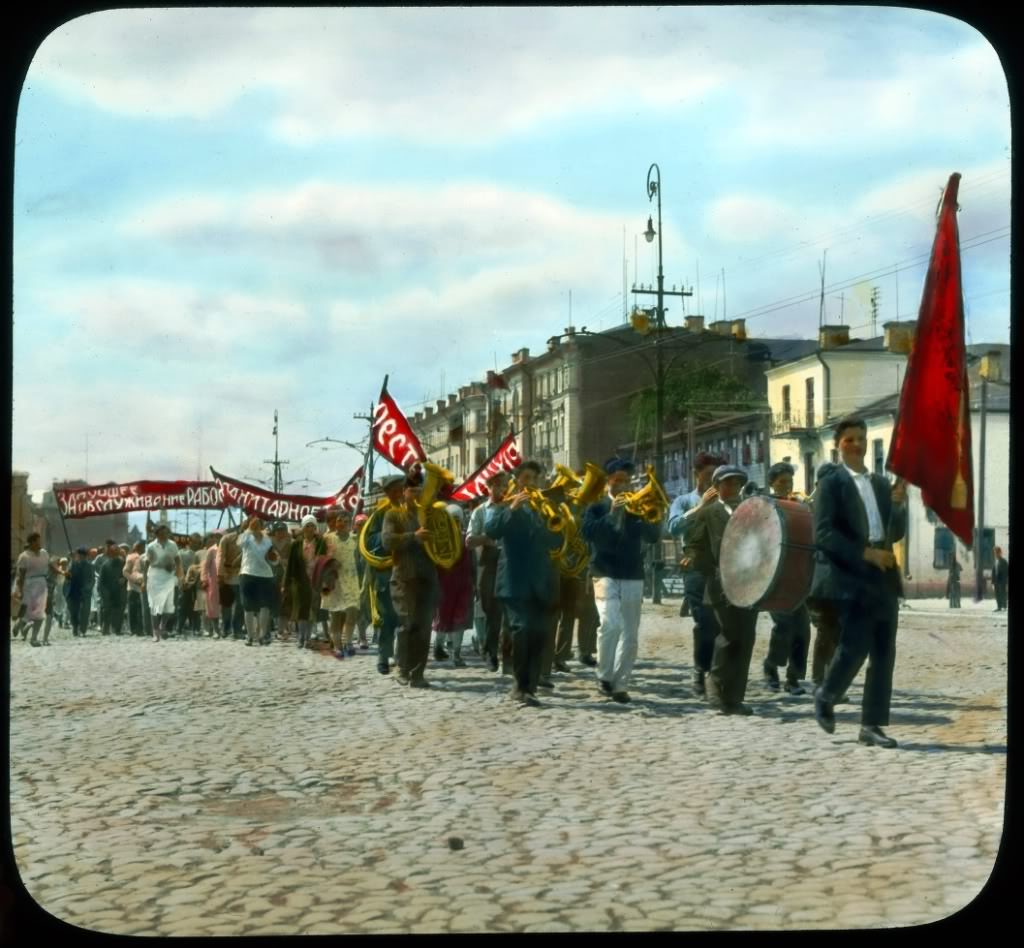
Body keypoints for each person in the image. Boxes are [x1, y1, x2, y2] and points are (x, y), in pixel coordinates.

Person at [812, 416, 908, 749]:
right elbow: (823, 533)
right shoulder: (831, 482)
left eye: (862, 439)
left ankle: (871, 725)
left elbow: (894, 531)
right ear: (838, 445)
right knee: (854, 646)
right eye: (850, 439)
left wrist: (899, 506)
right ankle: (827, 693)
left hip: (884, 576)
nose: (858, 445)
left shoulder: (881, 484)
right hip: (851, 575)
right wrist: (864, 554)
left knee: (884, 652)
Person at [580, 458, 664, 704]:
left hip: (632, 573)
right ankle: (604, 675)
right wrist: (613, 513)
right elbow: (588, 533)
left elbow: (652, 537)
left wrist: (653, 514)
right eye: (618, 481)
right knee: (610, 623)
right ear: (608, 481)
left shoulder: (637, 506)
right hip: (603, 571)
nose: (623, 485)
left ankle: (620, 684)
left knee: (631, 634)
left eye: (627, 481)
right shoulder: (596, 507)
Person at [682, 464, 759, 715]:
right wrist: (695, 560)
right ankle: (715, 690)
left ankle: (735, 698)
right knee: (727, 635)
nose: (733, 487)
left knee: (746, 637)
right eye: (727, 483)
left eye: (737, 483)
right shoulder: (709, 513)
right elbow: (694, 544)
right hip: (719, 585)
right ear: (716, 487)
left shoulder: (751, 512)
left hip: (749, 583)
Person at [485, 460, 563, 706]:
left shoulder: (544, 509)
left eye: (534, 479)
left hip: (539, 581)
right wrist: (513, 510)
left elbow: (556, 541)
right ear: (517, 481)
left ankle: (530, 686)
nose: (531, 483)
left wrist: (554, 520)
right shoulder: (506, 505)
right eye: (526, 478)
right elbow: (492, 530)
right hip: (514, 581)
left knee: (539, 633)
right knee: (521, 630)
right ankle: (519, 684)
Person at [668, 452, 726, 697]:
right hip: (695, 566)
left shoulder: (726, 501)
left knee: (723, 623)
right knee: (704, 621)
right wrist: (700, 507)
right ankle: (699, 671)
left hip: (723, 566)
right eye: (707, 475)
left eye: (716, 477)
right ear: (696, 475)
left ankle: (717, 673)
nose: (712, 481)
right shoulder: (683, 500)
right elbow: (672, 527)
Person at [382, 469, 441, 689]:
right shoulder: (393, 514)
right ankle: (403, 668)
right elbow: (387, 541)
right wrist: (412, 537)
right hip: (404, 578)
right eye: (412, 491)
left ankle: (418, 673)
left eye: (420, 491)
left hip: (427, 577)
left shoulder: (430, 514)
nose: (416, 495)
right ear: (403, 493)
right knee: (407, 624)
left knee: (424, 627)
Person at [762, 463, 811, 695]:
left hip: (797, 576)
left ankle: (794, 678)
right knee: (784, 625)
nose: (787, 486)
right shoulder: (765, 505)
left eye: (789, 482)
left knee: (802, 628)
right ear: (772, 483)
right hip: (774, 576)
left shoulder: (799, 506)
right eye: (782, 482)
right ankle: (771, 667)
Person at [467, 472, 511, 674]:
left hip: (510, 560)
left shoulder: (512, 507)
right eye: (499, 486)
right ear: (489, 487)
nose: (503, 489)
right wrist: (487, 538)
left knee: (508, 611)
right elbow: (468, 541)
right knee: (491, 610)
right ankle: (490, 651)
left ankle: (501, 655)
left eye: (505, 485)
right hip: (488, 560)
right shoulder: (480, 512)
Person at [361, 475, 405, 675]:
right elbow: (370, 543)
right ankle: (383, 656)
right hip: (385, 573)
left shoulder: (413, 511)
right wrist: (388, 535)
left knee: (405, 618)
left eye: (401, 489)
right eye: (394, 490)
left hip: (407, 572)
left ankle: (402, 657)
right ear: (388, 493)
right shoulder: (379, 515)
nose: (399, 494)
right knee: (387, 617)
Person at [433, 501, 475, 668]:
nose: (456, 523)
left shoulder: (466, 539)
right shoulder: (439, 540)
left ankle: (456, 654)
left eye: (458, 519)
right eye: (453, 519)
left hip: (463, 584)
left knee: (460, 619)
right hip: (444, 584)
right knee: (442, 617)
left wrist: (475, 582)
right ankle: (438, 647)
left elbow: (472, 562)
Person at [321, 508, 362, 660]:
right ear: (335, 522)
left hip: (351, 579)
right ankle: (337, 646)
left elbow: (360, 559)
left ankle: (348, 642)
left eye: (346, 522)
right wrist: (330, 565)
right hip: (334, 580)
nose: (342, 524)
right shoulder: (327, 538)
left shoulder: (355, 539)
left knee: (352, 612)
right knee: (335, 615)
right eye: (339, 521)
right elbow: (319, 559)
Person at [282, 514, 327, 649]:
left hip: (315, 581)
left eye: (312, 526)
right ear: (303, 528)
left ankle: (308, 637)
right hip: (299, 581)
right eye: (307, 526)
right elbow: (290, 565)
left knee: (312, 609)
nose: (310, 529)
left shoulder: (320, 543)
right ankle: (301, 637)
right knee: (301, 609)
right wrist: (286, 583)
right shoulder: (296, 544)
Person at [238, 517, 277, 647]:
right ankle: (249, 636)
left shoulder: (267, 540)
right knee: (248, 607)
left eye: (258, 524)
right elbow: (239, 543)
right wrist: (248, 530)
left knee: (265, 606)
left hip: (265, 575)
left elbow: (274, 558)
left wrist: (274, 559)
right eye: (253, 524)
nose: (255, 526)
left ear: (262, 525)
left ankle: (262, 635)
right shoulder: (246, 538)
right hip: (248, 573)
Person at [145, 524, 183, 641]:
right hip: (155, 576)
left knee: (169, 606)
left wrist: (178, 574)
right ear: (157, 534)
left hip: (168, 577)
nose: (165, 535)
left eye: (166, 532)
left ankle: (163, 626)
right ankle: (155, 632)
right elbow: (147, 562)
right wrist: (145, 579)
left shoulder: (172, 545)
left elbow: (177, 560)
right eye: (162, 533)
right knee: (155, 606)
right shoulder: (151, 546)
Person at [14, 533, 51, 646]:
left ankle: (34, 638)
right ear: (31, 542)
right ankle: (19, 624)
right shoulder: (24, 556)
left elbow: (50, 566)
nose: (40, 543)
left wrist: (62, 573)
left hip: (42, 584)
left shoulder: (44, 553)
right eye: (37, 541)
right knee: (27, 611)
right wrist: (20, 590)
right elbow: (21, 576)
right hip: (29, 585)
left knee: (39, 613)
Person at [217, 523, 246, 639]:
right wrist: (220, 574)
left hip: (243, 574)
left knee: (241, 604)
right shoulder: (227, 539)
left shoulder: (252, 539)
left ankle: (237, 629)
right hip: (228, 574)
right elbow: (220, 556)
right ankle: (225, 628)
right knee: (226, 605)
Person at [65, 546, 95, 638]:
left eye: (82, 555)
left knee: (84, 612)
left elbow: (92, 579)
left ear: (85, 556)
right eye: (79, 555)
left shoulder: (90, 566)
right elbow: (68, 576)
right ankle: (75, 627)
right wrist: (68, 575)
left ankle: (82, 630)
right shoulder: (72, 564)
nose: (80, 557)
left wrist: (87, 588)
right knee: (73, 611)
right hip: (74, 591)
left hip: (85, 592)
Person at [98, 542, 127, 636]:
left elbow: (127, 573)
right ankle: (105, 628)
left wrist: (124, 579)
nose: (115, 554)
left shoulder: (123, 563)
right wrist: (103, 593)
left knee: (119, 610)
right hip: (108, 591)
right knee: (106, 610)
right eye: (113, 552)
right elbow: (101, 581)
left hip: (119, 590)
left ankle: (117, 629)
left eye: (116, 552)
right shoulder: (105, 565)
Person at [177, 534, 204, 637]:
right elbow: (179, 568)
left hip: (194, 582)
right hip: (187, 583)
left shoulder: (197, 554)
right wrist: (183, 580)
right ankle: (181, 628)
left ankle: (194, 628)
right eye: (196, 542)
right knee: (184, 606)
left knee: (193, 607)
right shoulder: (184, 553)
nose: (198, 545)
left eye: (199, 543)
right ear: (191, 542)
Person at [199, 534, 222, 636]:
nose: (217, 539)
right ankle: (215, 629)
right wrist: (204, 580)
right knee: (213, 606)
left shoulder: (226, 548)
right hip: (213, 581)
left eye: (219, 537)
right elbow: (205, 566)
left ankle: (225, 629)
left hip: (226, 580)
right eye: (216, 537)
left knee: (226, 606)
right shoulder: (211, 550)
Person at [124, 542, 147, 636]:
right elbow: (125, 572)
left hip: (141, 586)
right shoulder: (132, 557)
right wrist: (135, 581)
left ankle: (139, 629)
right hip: (133, 587)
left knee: (139, 610)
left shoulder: (145, 557)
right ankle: (134, 630)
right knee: (134, 610)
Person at [991, 548, 1008, 612]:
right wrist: (992, 582)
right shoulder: (995, 561)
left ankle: (1004, 606)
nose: (995, 554)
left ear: (1000, 553)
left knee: (1003, 593)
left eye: (997, 552)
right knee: (997, 594)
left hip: (1002, 582)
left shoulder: (1004, 561)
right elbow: (993, 572)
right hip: (996, 582)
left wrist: (1006, 582)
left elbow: (1006, 573)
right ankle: (999, 607)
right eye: (995, 553)